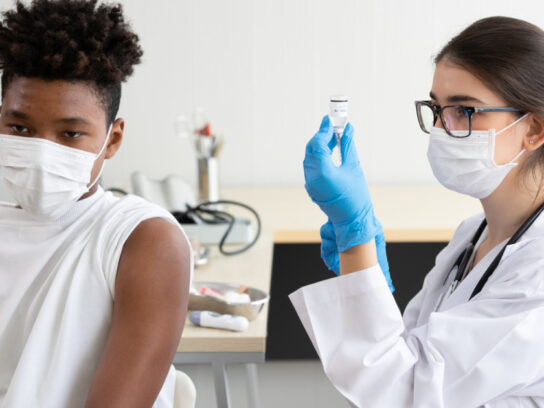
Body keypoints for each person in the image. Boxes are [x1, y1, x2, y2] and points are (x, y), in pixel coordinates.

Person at [290, 16, 544, 407]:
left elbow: (403, 391)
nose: (443, 128)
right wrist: (366, 276)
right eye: (437, 109)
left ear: (534, 130)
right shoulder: (474, 233)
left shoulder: (537, 272)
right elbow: (409, 349)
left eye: (465, 111)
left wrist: (356, 240)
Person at [0, 1, 192, 407]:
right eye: (20, 128)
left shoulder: (142, 242)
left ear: (113, 140)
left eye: (70, 135)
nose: (40, 153)